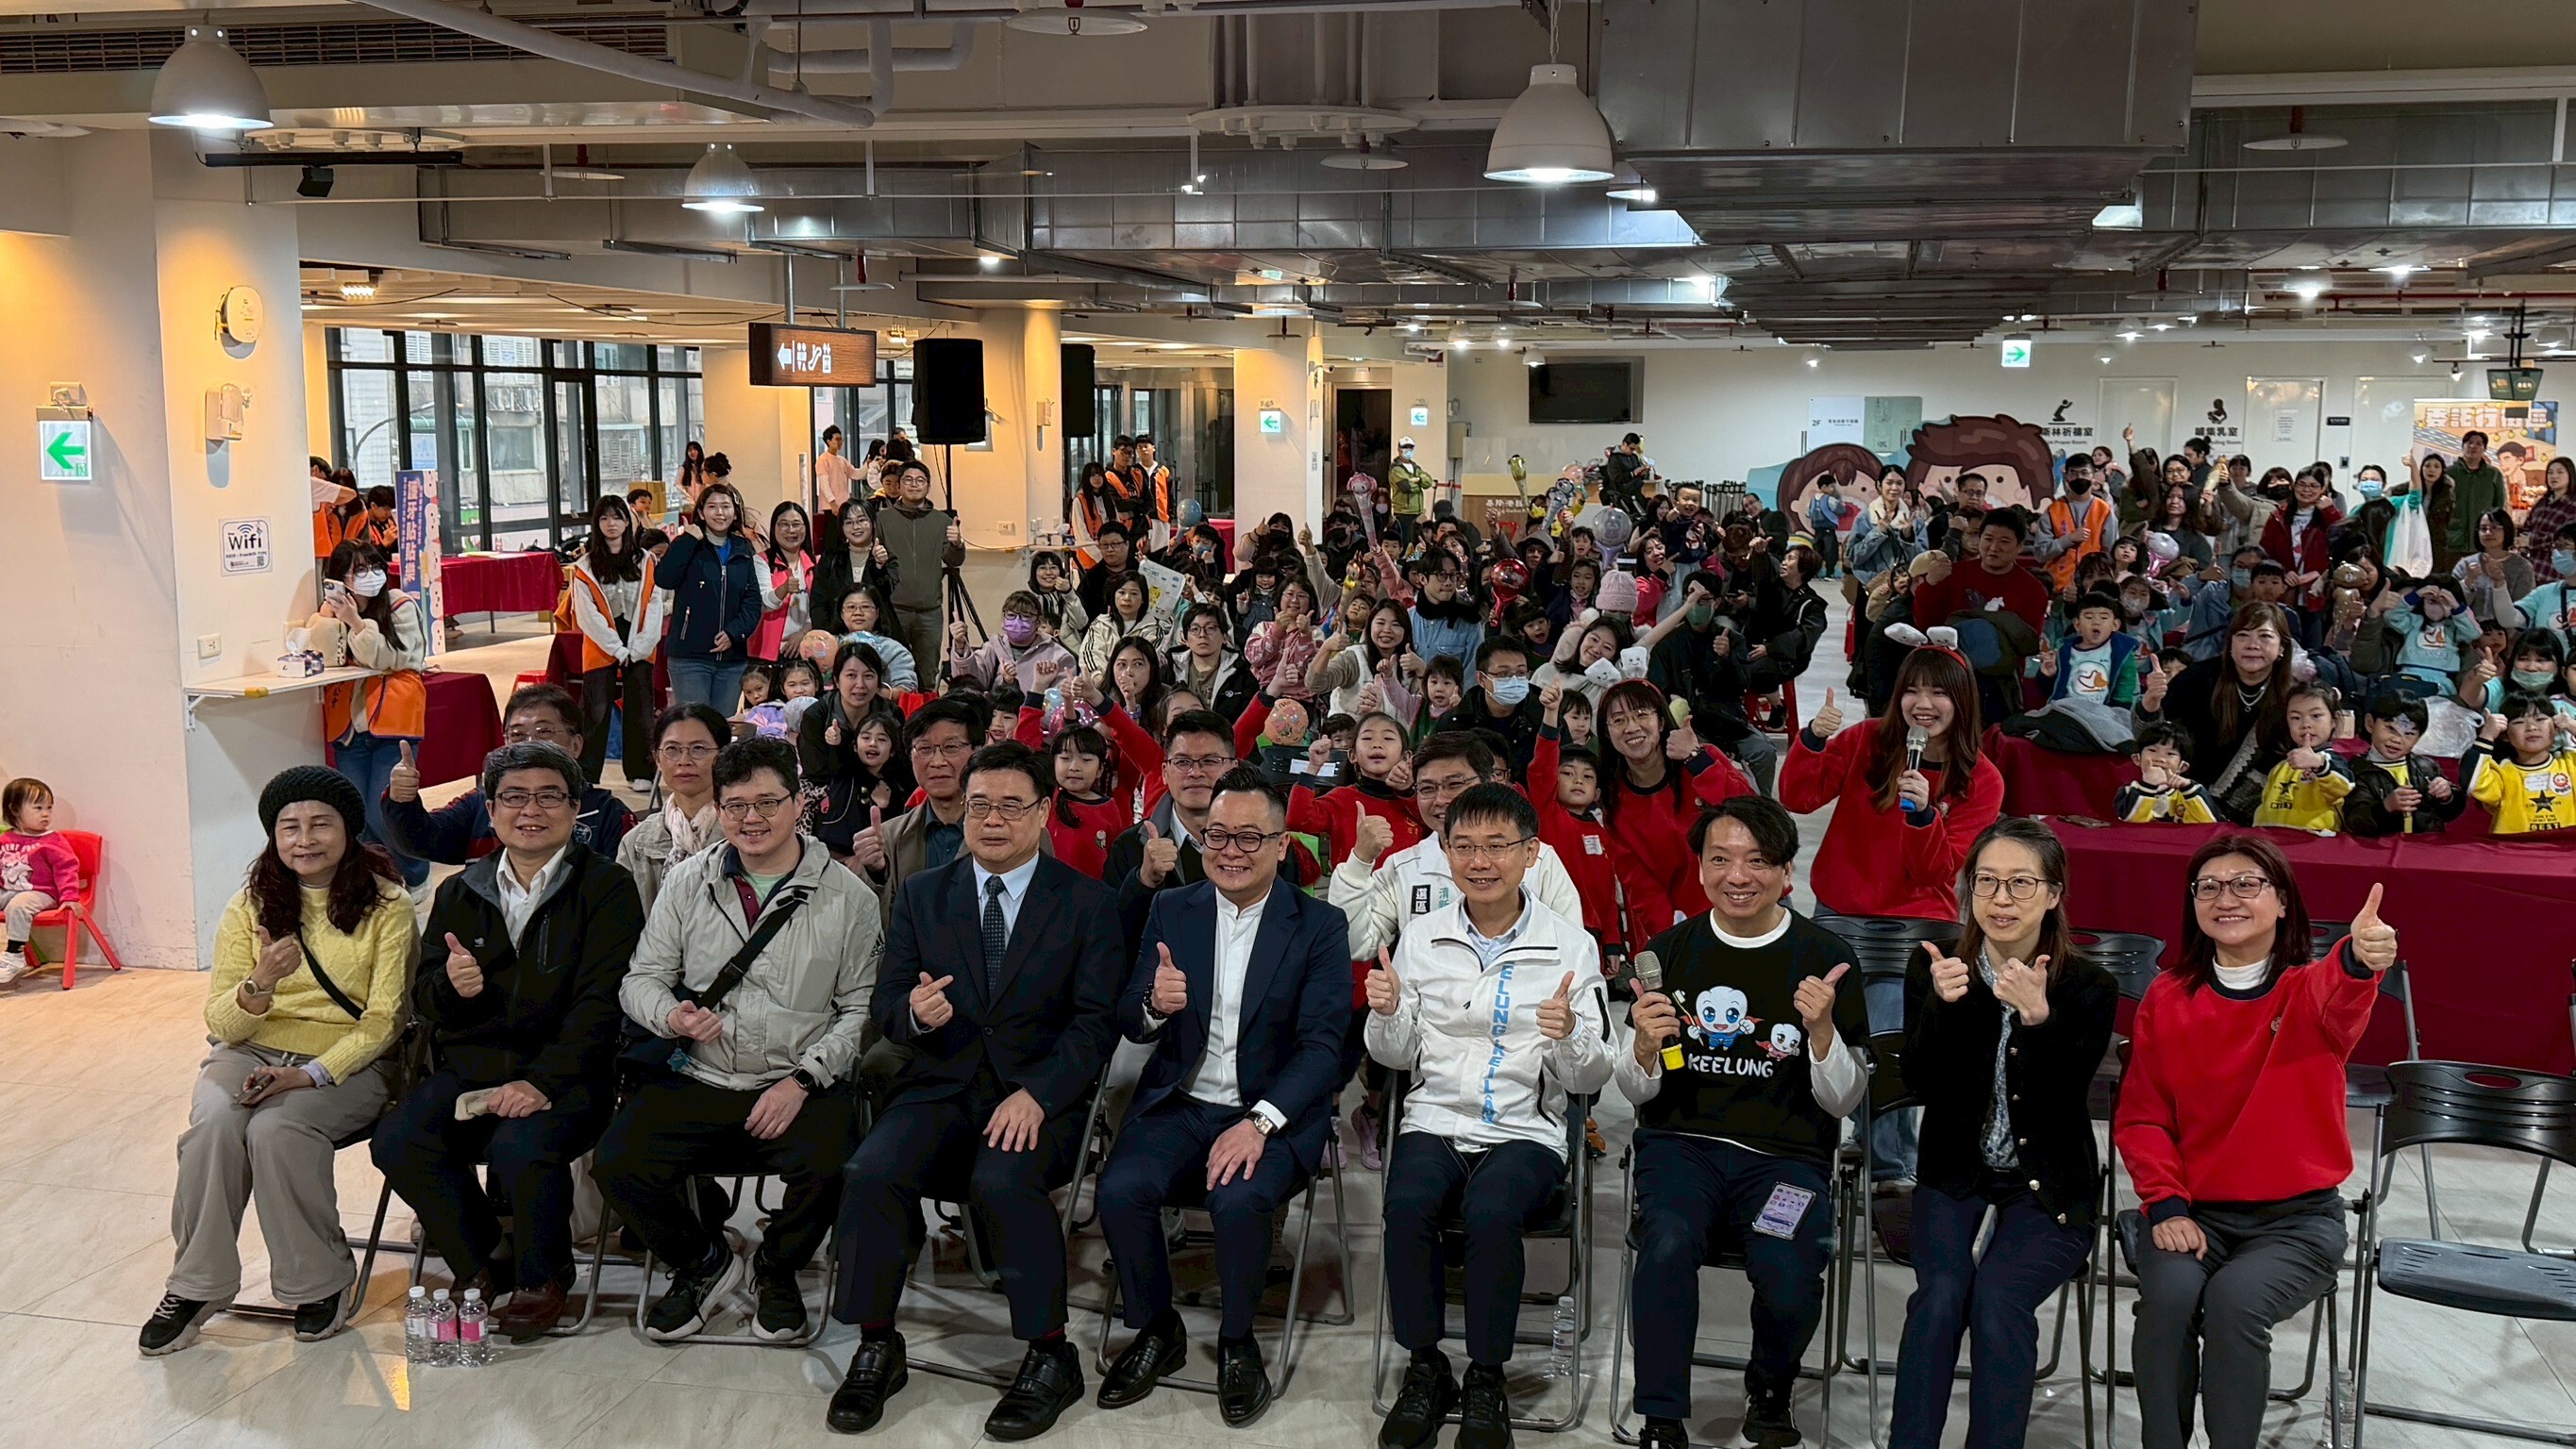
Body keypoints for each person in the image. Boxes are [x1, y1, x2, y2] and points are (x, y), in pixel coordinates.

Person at [829, 742, 1125, 1439]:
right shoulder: (926, 894)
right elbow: (889, 1002)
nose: (993, 820)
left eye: (1011, 806)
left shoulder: (1088, 903)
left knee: (1003, 1180)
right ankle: (878, 1341)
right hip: (941, 1087)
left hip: (1037, 1098)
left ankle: (1050, 1354)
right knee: (870, 1171)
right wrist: (913, 1014)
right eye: (980, 804)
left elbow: (1094, 1026)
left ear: (1043, 813)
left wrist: (1042, 1095)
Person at [2117, 835, 2399, 1449]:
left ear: (2281, 902)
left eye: (2247, 883)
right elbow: (2142, 1116)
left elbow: (2343, 992)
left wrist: (2360, 957)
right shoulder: (2167, 995)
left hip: (2296, 1223)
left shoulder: (2307, 987)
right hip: (2193, 1214)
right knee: (2166, 1304)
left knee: (2235, 1304)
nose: (2227, 897)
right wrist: (2165, 1203)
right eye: (2210, 886)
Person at [595, 737, 878, 1343]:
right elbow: (640, 979)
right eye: (735, 805)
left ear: (799, 801)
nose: (752, 819)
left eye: (767, 803)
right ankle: (702, 1264)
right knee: (618, 1163)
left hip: (797, 1078)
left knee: (839, 1161)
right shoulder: (688, 881)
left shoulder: (849, 897)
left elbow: (861, 1009)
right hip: (701, 1072)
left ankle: (777, 1268)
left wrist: (803, 1080)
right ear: (718, 807)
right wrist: (672, 1017)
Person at [1096, 769, 1352, 1424]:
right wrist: (1154, 1004)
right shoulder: (1172, 908)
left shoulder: (1319, 924)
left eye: (1248, 837)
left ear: (1280, 843)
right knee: (1120, 1189)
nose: (1230, 851)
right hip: (1182, 1101)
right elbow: (1127, 1011)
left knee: (1237, 1198)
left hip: (1271, 1110)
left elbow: (1325, 1047)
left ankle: (1239, 1342)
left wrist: (1260, 1123)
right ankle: (1157, 1330)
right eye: (1216, 836)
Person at [1617, 795, 1867, 1449]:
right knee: (1666, 1244)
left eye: (1758, 861)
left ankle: (1770, 1388)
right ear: (1698, 867)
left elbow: (1844, 1102)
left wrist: (1821, 1033)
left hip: (1787, 1159)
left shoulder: (1827, 957)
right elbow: (1634, 1086)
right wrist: (1643, 1046)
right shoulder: (1667, 955)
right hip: (1681, 1148)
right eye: (1720, 859)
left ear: (1787, 871)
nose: (1737, 876)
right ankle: (1662, 1415)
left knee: (1788, 1266)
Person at [372, 742, 644, 1341]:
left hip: (571, 1075)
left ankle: (543, 1277)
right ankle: (484, 1259)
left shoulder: (606, 887)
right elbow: (424, 998)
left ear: (576, 809)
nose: (531, 811)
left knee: (522, 1143)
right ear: (490, 810)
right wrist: (450, 985)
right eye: (514, 797)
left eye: (550, 796)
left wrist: (542, 1081)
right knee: (399, 1138)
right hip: (473, 1070)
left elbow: (604, 1003)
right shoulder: (461, 890)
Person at [1369, 784, 1614, 1449]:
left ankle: (1485, 1376)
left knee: (1492, 1211)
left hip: (1524, 1131)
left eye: (1497, 846)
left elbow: (1590, 1077)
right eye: (1464, 846)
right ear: (1445, 852)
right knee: (1407, 1204)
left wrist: (1568, 1035)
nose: (1480, 861)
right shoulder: (1421, 938)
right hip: (1435, 1120)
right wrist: (1386, 1013)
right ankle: (1425, 1368)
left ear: (1531, 854)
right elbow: (1396, 1058)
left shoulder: (1569, 945)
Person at [140, 768, 412, 1354]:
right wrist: (258, 984)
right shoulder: (251, 904)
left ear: (348, 830)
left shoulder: (387, 905)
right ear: (273, 835)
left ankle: (319, 1281)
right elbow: (221, 1023)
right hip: (251, 1049)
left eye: (320, 824)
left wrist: (310, 1074)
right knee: (213, 1125)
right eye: (289, 826)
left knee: (279, 1128)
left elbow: (384, 1020)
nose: (304, 839)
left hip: (346, 1061)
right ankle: (197, 1284)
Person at [1892, 819, 2116, 1449]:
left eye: (2021, 883)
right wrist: (1942, 1008)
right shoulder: (1936, 966)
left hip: (2047, 1188)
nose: (2001, 899)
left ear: (2053, 893)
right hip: (1952, 1173)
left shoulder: (2090, 986)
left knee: (1997, 1302)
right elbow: (1919, 1081)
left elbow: (2065, 1101)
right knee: (1939, 1300)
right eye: (1986, 882)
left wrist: (2038, 1019)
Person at [1330, 732, 1583, 963]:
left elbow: (1574, 951)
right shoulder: (1403, 867)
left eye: (1455, 784)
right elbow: (1356, 945)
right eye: (1427, 788)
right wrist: (1359, 861)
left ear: (1489, 782)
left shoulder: (1538, 858)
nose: (1441, 800)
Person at [384, 684, 634, 864]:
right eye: (516, 735)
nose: (530, 743)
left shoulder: (609, 815)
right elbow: (422, 841)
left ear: (575, 745)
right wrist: (402, 801)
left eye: (544, 732)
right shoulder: (482, 804)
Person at [313, 540, 433, 889]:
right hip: (350, 725)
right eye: (359, 570)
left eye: (375, 566)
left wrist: (355, 621)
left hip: (394, 720)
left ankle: (414, 875)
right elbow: (321, 654)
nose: (371, 576)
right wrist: (328, 614)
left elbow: (387, 658)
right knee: (357, 813)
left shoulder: (400, 605)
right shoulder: (333, 612)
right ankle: (378, 879)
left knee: (387, 808)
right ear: (339, 578)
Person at [2133, 602, 2298, 806]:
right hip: (2182, 796)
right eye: (2242, 635)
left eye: (2264, 636)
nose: (2252, 645)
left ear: (2282, 646)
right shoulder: (2197, 677)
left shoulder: (2294, 697)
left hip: (2256, 805)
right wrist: (2150, 702)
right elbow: (2148, 741)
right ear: (2229, 644)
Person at [841, 696, 983, 908]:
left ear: (978, 751)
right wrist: (877, 872)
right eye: (924, 749)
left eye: (951, 747)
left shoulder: (1011, 829)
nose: (937, 762)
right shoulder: (888, 837)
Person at [568, 492, 664, 788]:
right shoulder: (585, 565)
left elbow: (654, 604)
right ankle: (587, 774)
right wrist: (616, 648)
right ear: (597, 523)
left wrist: (640, 646)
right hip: (601, 644)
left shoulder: (646, 560)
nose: (612, 524)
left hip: (639, 640)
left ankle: (639, 771)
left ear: (628, 522)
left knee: (641, 708)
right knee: (595, 708)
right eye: (605, 518)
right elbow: (588, 616)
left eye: (618, 517)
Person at [657, 480, 763, 712]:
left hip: (732, 659)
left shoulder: (742, 548)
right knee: (695, 724)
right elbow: (664, 578)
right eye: (712, 506)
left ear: (734, 512)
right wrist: (687, 540)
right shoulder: (689, 544)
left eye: (726, 506)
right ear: (702, 512)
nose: (720, 512)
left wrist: (734, 633)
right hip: (689, 657)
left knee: (722, 729)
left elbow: (753, 600)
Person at [617, 704, 728, 911]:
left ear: (722, 756)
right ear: (658, 759)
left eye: (699, 749)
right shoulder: (636, 842)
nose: (684, 761)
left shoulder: (744, 832)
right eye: (672, 750)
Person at [877, 458, 966, 679]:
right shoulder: (882, 519)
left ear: (928, 485)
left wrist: (958, 544)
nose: (914, 484)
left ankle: (924, 712)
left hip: (930, 612)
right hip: (894, 610)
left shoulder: (942, 521)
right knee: (892, 673)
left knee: (927, 673)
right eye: (908, 479)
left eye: (920, 480)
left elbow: (954, 561)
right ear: (898, 486)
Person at [2340, 692, 2467, 837]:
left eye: (2409, 733)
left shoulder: (2426, 767)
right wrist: (2385, 807)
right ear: (2370, 724)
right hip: (2380, 850)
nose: (2397, 740)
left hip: (2425, 847)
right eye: (2390, 729)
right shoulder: (2357, 771)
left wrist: (2447, 796)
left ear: (2419, 737)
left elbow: (2449, 814)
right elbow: (2355, 821)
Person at [0, 776, 80, 986]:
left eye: (49, 808)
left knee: (18, 906)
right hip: (8, 890)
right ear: (15, 810)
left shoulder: (53, 841)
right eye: (38, 808)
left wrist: (70, 896)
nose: (46, 814)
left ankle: (15, 955)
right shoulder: (5, 840)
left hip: (42, 893)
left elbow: (67, 868)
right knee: (15, 902)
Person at [1430, 635, 1546, 776]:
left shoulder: (1543, 716)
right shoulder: (1455, 722)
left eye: (1521, 673)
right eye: (1504, 674)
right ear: (1481, 679)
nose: (1514, 680)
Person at [2467, 688, 2576, 833]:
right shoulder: (2500, 773)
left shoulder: (2570, 764)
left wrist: (2573, 726)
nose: (2531, 727)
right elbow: (2473, 783)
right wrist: (2487, 735)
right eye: (2519, 722)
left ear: (2556, 729)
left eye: (2540, 719)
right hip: (2513, 851)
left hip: (2563, 851)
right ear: (2504, 735)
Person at [2248, 683, 2352, 830]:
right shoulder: (2280, 767)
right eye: (2296, 717)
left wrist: (2318, 764)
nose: (2306, 724)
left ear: (2334, 720)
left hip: (2313, 844)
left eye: (2316, 716)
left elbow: (2344, 788)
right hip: (2272, 842)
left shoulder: (2332, 763)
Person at [951, 591, 1082, 694]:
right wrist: (960, 646)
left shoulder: (1058, 655)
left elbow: (1061, 701)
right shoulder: (992, 647)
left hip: (1036, 721)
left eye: (1026, 616)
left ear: (1038, 621)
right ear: (1003, 619)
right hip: (997, 720)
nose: (1017, 621)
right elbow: (968, 684)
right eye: (1011, 615)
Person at [1166, 602, 1258, 722]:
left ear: (1225, 636)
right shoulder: (1169, 671)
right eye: (1195, 629)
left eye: (1210, 628)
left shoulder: (1242, 677)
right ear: (1185, 638)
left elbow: (1249, 722)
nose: (1202, 635)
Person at [2038, 454, 2115, 593]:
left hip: (2092, 589)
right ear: (2066, 476)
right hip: (2057, 587)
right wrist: (2068, 540)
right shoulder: (2053, 510)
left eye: (2084, 473)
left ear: (2093, 475)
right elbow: (2040, 553)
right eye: (2074, 473)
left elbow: (2110, 552)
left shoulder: (2104, 510)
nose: (2079, 477)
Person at [750, 501, 816, 662]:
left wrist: (803, 634)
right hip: (767, 652)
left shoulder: (816, 564)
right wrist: (784, 588)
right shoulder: (761, 561)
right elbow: (764, 603)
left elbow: (821, 608)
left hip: (806, 648)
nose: (791, 530)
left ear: (806, 528)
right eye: (784, 525)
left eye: (796, 524)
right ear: (774, 528)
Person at [2115, 723, 2218, 824]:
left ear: (2182, 766)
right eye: (2152, 750)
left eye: (2170, 754)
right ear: (2137, 759)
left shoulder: (2191, 792)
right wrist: (2148, 786)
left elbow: (2208, 822)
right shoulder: (2128, 791)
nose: (2160, 759)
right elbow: (2130, 820)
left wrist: (2188, 788)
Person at [2440, 430, 2510, 573]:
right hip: (2452, 539)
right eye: (2469, 443)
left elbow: (2499, 508)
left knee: (2481, 581)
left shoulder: (2493, 474)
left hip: (2482, 540)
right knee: (2449, 579)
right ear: (2462, 446)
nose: (2473, 446)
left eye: (2479, 444)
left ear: (2484, 449)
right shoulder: (2449, 473)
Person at [816, 425, 859, 515]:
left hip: (843, 504)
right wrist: (832, 502)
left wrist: (868, 466)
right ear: (829, 442)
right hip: (830, 507)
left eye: (841, 439)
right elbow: (824, 484)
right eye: (837, 439)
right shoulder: (823, 459)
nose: (840, 442)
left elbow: (855, 474)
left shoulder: (842, 460)